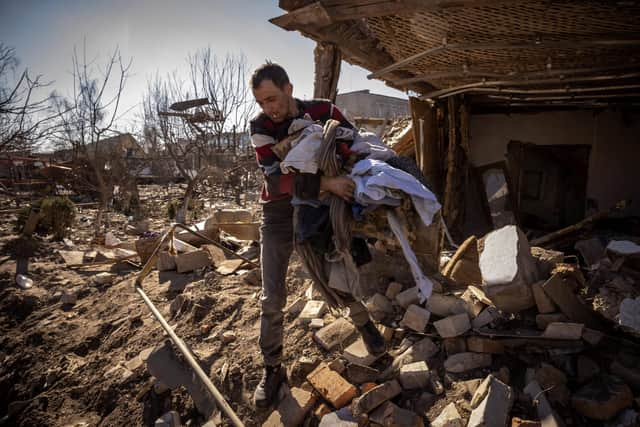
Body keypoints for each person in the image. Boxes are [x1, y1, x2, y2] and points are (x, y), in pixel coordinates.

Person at [249, 62, 385, 408]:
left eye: (273, 99)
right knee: (272, 296)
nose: (269, 108)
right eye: (262, 102)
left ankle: (364, 324)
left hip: (321, 206)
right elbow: (276, 182)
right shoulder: (260, 128)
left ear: (289, 88)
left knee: (335, 269)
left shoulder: (324, 111)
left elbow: (353, 146)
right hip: (278, 213)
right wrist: (327, 181)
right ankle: (272, 368)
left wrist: (341, 176)